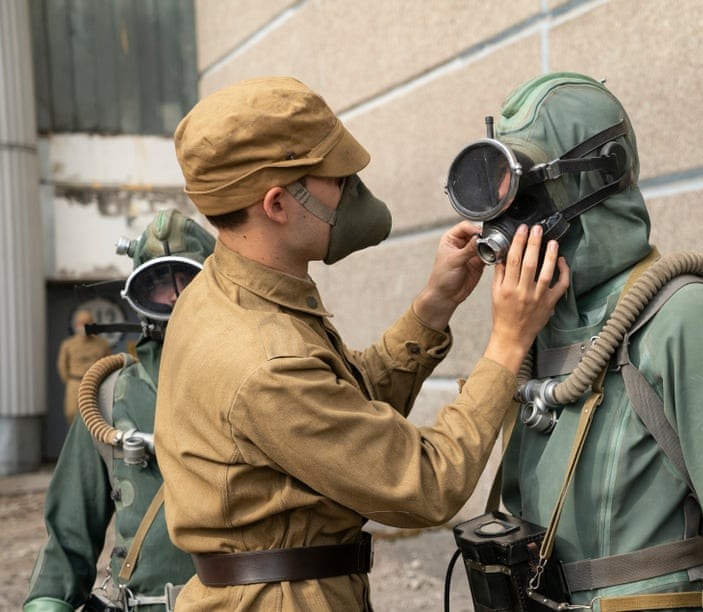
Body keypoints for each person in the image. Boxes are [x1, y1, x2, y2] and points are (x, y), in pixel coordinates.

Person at [154, 75, 569, 610]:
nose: (354, 190)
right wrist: (508, 343)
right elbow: (427, 484)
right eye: (338, 178)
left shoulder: (223, 294)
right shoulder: (263, 358)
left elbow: (336, 412)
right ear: (277, 204)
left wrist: (430, 310)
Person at [446, 72, 703, 611]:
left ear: (597, 176)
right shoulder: (534, 327)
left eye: (530, 192)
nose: (510, 220)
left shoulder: (681, 316)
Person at [25, 209, 214, 611]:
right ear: (140, 293)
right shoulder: (111, 398)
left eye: (188, 278)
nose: (177, 295)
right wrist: (47, 601)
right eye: (160, 282)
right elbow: (67, 537)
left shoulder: (260, 383)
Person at [56, 310, 111, 424]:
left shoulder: (102, 344)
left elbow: (109, 363)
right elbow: (62, 366)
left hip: (96, 384)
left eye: (88, 322)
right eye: (81, 323)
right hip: (75, 383)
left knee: (96, 418)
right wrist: (71, 381)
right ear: (76, 325)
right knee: (72, 414)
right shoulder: (68, 344)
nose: (84, 326)